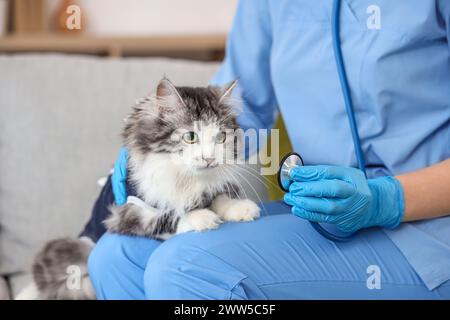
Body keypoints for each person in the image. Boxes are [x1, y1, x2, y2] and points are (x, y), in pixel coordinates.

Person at [86, 0, 450, 299]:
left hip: (426, 232)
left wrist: (385, 199)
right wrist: (162, 149)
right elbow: (242, 111)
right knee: (117, 257)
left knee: (185, 267)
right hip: (317, 216)